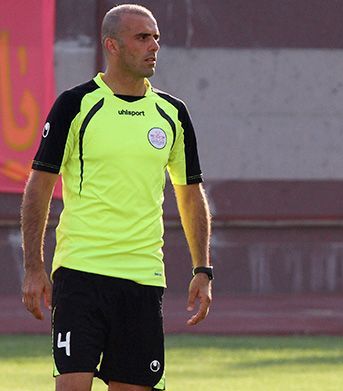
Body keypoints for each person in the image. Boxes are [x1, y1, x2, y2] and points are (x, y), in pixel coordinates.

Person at [20, 4, 213, 390]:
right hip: (80, 275)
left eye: (156, 37)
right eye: (142, 37)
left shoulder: (172, 113)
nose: (154, 46)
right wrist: (33, 266)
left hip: (142, 279)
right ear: (112, 45)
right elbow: (38, 187)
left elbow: (190, 194)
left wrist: (202, 269)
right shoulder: (75, 106)